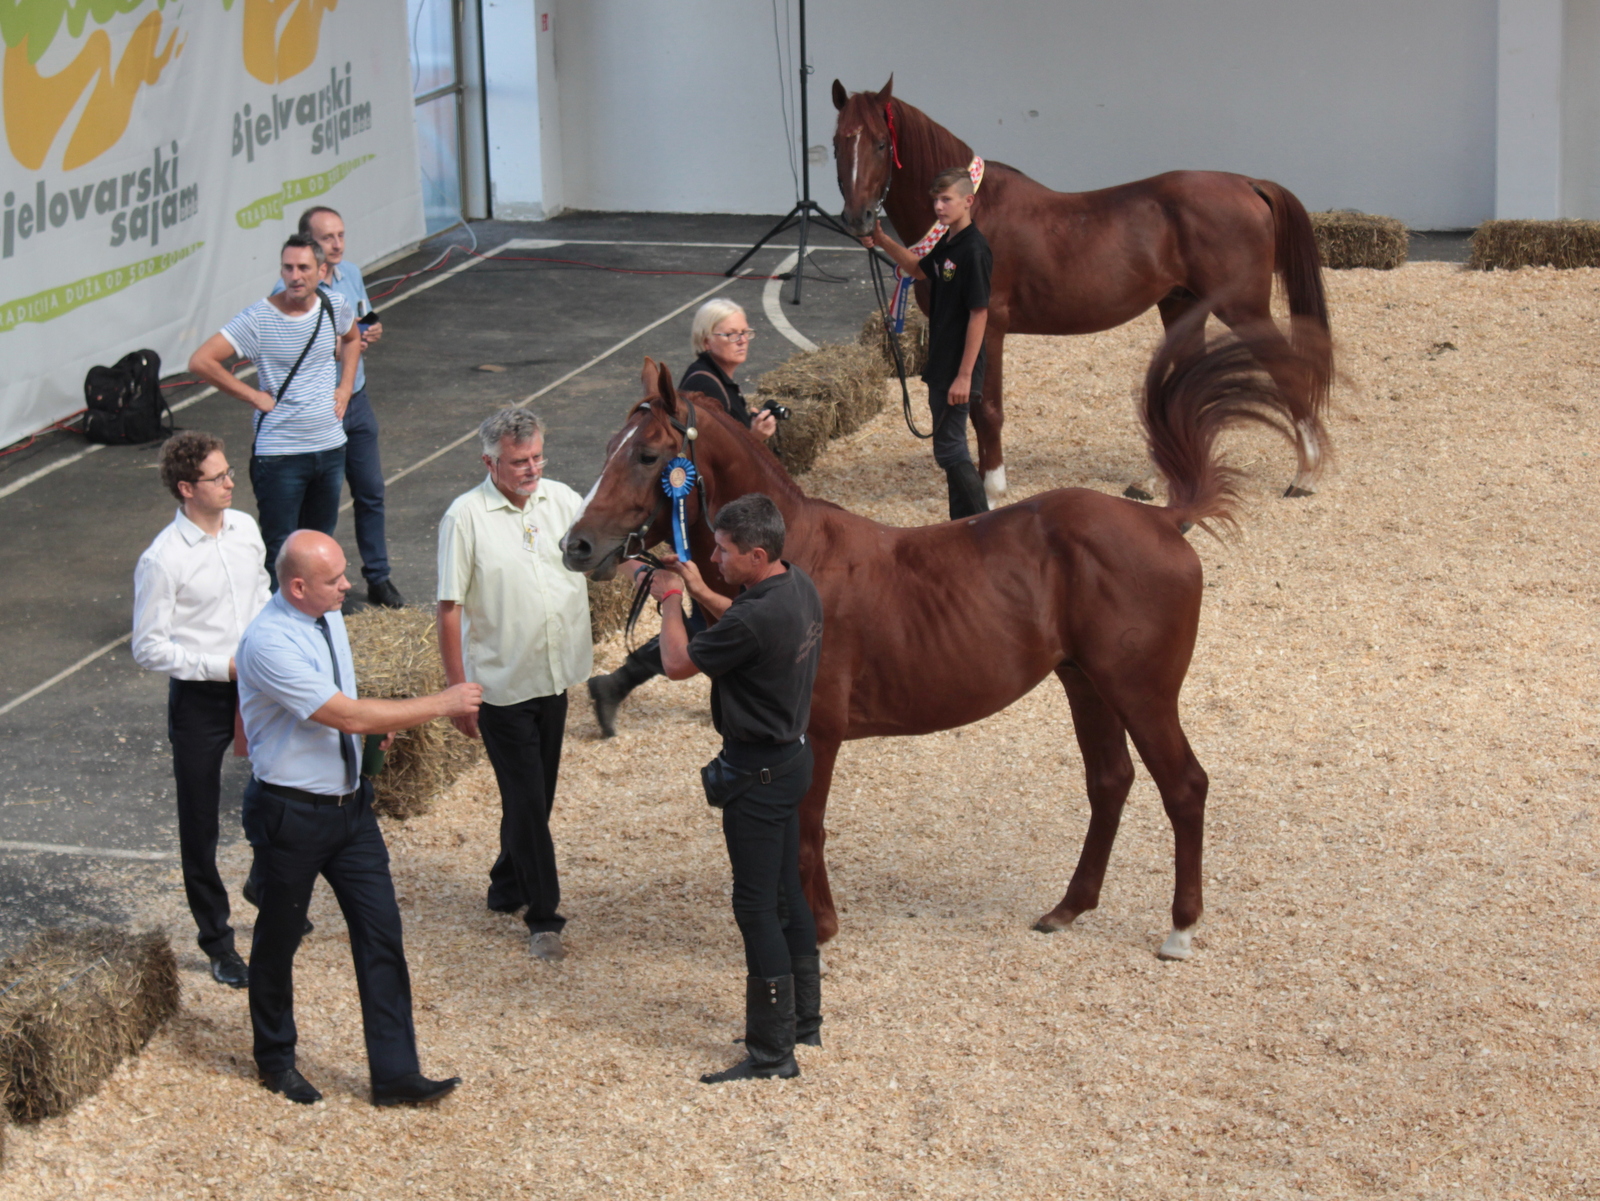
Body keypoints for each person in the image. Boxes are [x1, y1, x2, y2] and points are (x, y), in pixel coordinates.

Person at [236, 530, 481, 1106]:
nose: (349, 585)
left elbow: (345, 702)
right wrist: (441, 703)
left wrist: (380, 727)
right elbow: (344, 714)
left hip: (350, 808)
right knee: (277, 942)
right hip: (291, 814)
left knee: (381, 935)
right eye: (334, 579)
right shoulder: (269, 642)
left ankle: (396, 1075)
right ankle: (275, 1061)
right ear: (298, 587)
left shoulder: (328, 617)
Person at [650, 494, 825, 1083]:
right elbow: (745, 625)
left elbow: (677, 663)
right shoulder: (795, 586)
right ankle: (803, 1019)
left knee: (754, 907)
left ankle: (773, 1053)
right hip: (792, 759)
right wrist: (700, 589)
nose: (715, 557)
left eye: (724, 551)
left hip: (757, 774)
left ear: (756, 554)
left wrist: (671, 600)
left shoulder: (756, 615)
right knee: (786, 896)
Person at [436, 409, 592, 961]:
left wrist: (651, 572)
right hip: (501, 687)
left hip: (554, 676)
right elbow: (449, 609)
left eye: (536, 458)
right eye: (518, 461)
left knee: (536, 799)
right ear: (489, 462)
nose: (531, 470)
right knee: (528, 803)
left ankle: (506, 883)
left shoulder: (565, 500)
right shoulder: (464, 518)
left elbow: (597, 560)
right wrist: (458, 691)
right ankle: (543, 917)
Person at [585, 300, 774, 737]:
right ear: (706, 340)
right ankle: (620, 681)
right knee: (707, 613)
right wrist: (755, 438)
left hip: (718, 519)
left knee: (705, 613)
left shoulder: (719, 380)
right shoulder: (698, 388)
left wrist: (755, 435)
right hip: (709, 523)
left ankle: (618, 682)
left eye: (746, 332)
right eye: (731, 334)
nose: (742, 340)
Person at [132, 432, 271, 989]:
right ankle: (217, 941)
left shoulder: (245, 529)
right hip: (201, 698)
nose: (230, 482)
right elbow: (149, 646)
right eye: (218, 477)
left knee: (278, 790)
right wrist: (222, 667)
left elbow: (262, 594)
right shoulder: (162, 560)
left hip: (258, 684)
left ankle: (265, 885)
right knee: (200, 822)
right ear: (188, 488)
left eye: (229, 471)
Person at [190, 234, 361, 588]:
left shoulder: (335, 304)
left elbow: (353, 337)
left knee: (318, 543)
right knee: (280, 550)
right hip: (280, 454)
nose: (294, 276)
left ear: (322, 270)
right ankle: (275, 624)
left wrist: (345, 387)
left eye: (303, 268)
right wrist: (253, 396)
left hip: (329, 447)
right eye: (288, 267)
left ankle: (314, 620)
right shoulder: (258, 318)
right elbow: (201, 361)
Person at [276, 205, 404, 610]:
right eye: (327, 238)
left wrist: (371, 330)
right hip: (319, 408)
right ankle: (322, 584)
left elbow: (363, 318)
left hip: (356, 399)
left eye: (341, 236)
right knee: (323, 501)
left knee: (370, 490)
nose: (336, 245)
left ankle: (378, 577)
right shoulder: (292, 290)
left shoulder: (350, 273)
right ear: (307, 244)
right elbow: (290, 347)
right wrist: (341, 347)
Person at [861, 166, 992, 519]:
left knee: (951, 450)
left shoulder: (974, 250)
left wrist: (965, 376)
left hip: (956, 368)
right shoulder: (950, 243)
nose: (938, 206)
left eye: (946, 199)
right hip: (941, 363)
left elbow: (979, 314)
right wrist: (883, 239)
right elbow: (919, 269)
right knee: (949, 450)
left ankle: (985, 526)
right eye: (936, 199)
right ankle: (962, 524)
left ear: (968, 201)